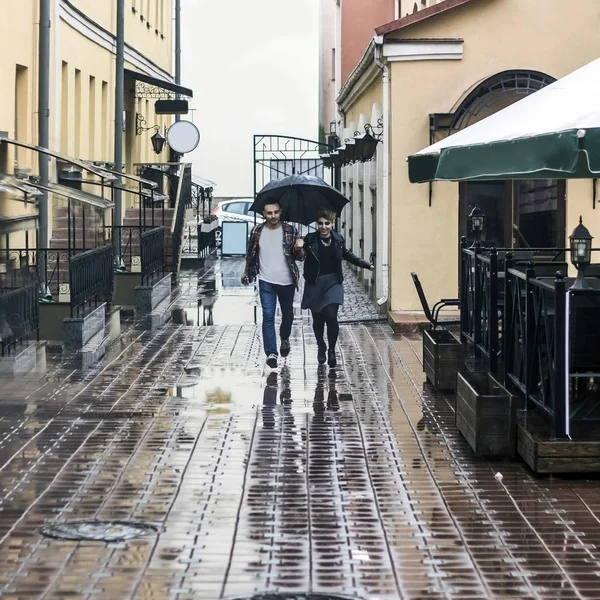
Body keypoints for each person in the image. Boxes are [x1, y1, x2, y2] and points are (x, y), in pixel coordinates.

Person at [299, 208, 373, 367]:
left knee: (331, 315)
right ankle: (321, 346)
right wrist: (301, 247)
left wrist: (364, 264)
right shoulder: (310, 240)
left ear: (332, 224)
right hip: (315, 283)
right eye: (320, 223)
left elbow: (347, 255)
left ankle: (331, 349)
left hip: (333, 282)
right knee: (318, 319)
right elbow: (301, 257)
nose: (323, 227)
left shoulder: (338, 239)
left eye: (327, 223)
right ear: (317, 224)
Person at [242, 200, 304, 369]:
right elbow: (251, 254)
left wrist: (299, 248)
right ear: (263, 214)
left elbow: (299, 257)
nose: (273, 216)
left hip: (287, 281)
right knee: (268, 316)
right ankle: (271, 353)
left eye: (276, 212)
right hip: (266, 281)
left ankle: (284, 338)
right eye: (269, 213)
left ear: (280, 211)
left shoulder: (291, 230)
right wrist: (247, 272)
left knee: (288, 315)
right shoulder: (257, 231)